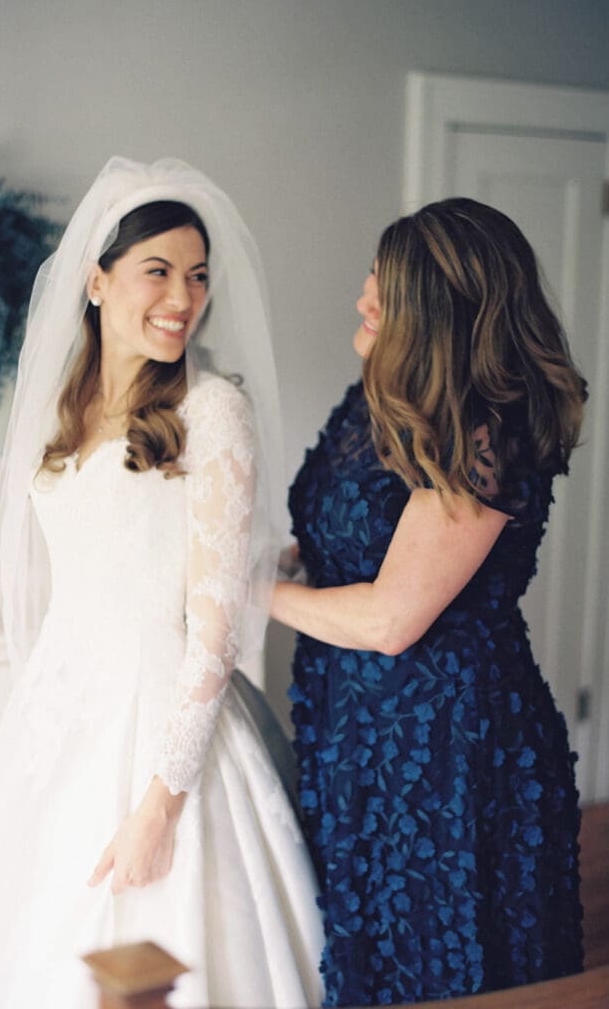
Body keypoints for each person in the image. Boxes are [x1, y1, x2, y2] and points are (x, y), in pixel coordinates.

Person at [0, 157, 324, 1009]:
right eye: (157, 271)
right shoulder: (63, 413)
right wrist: (15, 735)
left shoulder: (211, 409)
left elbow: (214, 632)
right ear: (96, 281)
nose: (181, 298)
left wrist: (159, 808)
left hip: (163, 734)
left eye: (197, 277)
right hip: (60, 716)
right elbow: (74, 599)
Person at [271, 198, 587, 1006]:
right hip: (351, 725)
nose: (362, 297)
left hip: (445, 743)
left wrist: (243, 594)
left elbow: (388, 618)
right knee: (369, 947)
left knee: (447, 964)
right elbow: (338, 536)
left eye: (386, 287)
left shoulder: (486, 440)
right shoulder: (377, 397)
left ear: (442, 312)